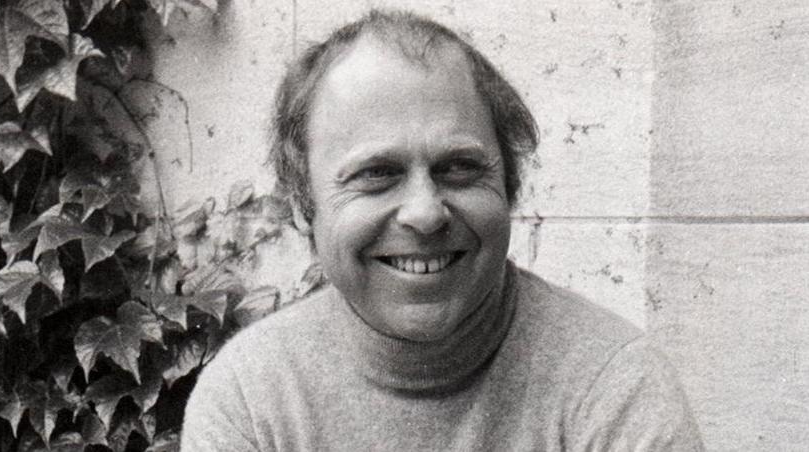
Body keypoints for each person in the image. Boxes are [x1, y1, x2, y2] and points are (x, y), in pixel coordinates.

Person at [181, 9, 704, 451]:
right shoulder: (251, 400)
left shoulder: (614, 389)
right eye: (376, 174)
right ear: (301, 205)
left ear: (510, 188)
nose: (426, 213)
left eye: (459, 168)